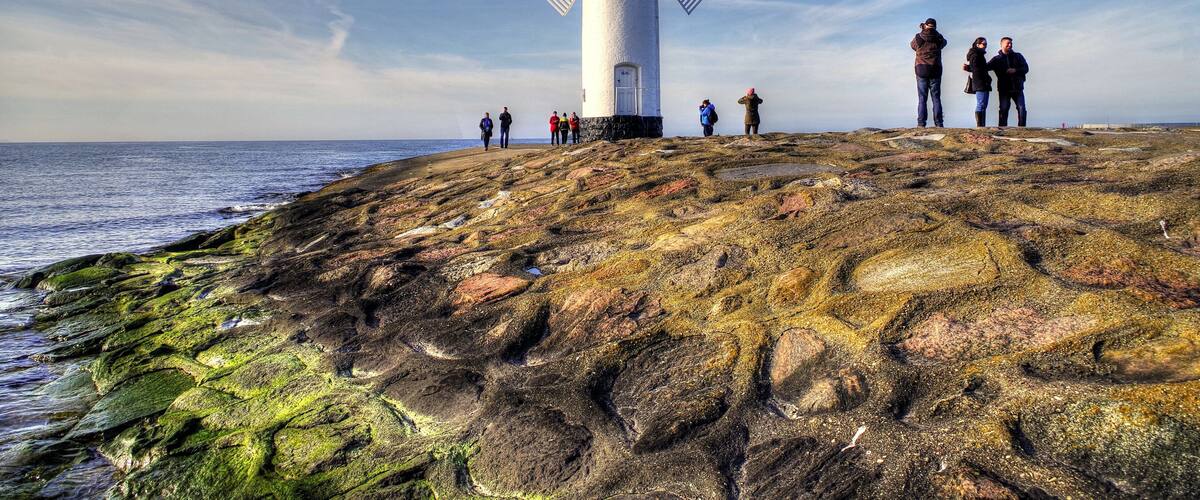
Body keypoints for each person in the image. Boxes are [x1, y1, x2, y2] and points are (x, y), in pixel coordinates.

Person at [911, 18, 948, 128]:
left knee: (922, 98)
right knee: (936, 98)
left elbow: (912, 46)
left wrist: (923, 30)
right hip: (935, 69)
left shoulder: (919, 37)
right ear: (935, 26)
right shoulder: (938, 38)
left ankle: (921, 123)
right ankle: (939, 123)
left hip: (921, 69)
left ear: (926, 25)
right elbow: (944, 43)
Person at [988, 37, 1030, 127]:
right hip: (1004, 89)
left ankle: (1022, 129)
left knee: (1022, 108)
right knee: (1004, 109)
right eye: (1008, 43)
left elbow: (1026, 68)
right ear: (1001, 44)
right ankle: (1002, 129)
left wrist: (1015, 70)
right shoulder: (996, 59)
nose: (1010, 45)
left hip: (1018, 88)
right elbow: (985, 67)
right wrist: (970, 68)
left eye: (1011, 43)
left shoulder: (1018, 56)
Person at [964, 37, 993, 128]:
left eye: (986, 44)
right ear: (978, 45)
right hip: (981, 83)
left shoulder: (977, 54)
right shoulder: (976, 55)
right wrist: (986, 78)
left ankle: (981, 125)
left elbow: (974, 68)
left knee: (983, 104)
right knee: (981, 104)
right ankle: (980, 125)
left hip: (981, 82)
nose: (985, 46)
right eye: (983, 44)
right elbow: (976, 69)